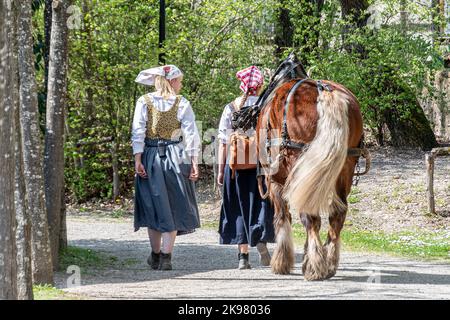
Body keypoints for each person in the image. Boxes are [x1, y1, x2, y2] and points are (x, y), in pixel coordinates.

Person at [132, 64, 201, 271]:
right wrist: (194, 161)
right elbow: (191, 135)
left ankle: (155, 255)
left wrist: (138, 159)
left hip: (151, 157)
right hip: (176, 157)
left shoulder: (144, 102)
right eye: (179, 80)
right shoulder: (182, 103)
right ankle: (166, 256)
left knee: (154, 205)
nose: (181, 85)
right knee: (173, 204)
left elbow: (138, 132)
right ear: (171, 81)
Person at [217, 66, 275, 270]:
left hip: (236, 165)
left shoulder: (231, 108)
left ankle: (243, 257)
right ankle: (260, 241)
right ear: (259, 86)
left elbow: (223, 141)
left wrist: (220, 170)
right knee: (260, 204)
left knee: (238, 207)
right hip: (260, 164)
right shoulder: (266, 106)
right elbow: (273, 138)